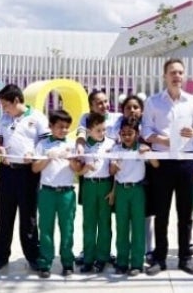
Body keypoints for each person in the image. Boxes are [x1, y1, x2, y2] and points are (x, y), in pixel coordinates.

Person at [142, 58, 193, 276]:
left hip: (186, 161)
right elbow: (146, 131)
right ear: (164, 76)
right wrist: (163, 140)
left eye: (180, 72)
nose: (176, 76)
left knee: (185, 212)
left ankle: (185, 258)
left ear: (184, 75)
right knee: (161, 212)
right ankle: (159, 258)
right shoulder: (153, 102)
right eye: (172, 72)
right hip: (162, 162)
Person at [0, 84, 50, 272]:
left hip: (28, 173)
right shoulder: (4, 118)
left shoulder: (37, 117)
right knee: (5, 216)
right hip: (7, 171)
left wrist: (35, 153)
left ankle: (33, 256)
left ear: (16, 100)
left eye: (5, 104)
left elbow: (46, 141)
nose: (3, 108)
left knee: (28, 217)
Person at [32, 109, 81, 278]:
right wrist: (47, 157)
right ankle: (45, 262)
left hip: (66, 192)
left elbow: (77, 170)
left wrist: (72, 161)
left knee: (67, 229)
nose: (64, 130)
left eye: (67, 127)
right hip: (47, 192)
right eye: (60, 126)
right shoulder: (42, 145)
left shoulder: (72, 144)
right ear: (51, 126)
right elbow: (34, 168)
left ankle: (67, 262)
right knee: (45, 228)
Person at [74, 90, 121, 266]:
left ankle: (104, 254)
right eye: (99, 103)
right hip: (89, 182)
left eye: (106, 101)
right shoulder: (85, 118)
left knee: (105, 221)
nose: (104, 106)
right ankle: (88, 254)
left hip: (108, 180)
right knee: (88, 221)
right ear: (91, 106)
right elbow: (80, 134)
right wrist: (80, 147)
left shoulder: (117, 117)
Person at [109, 117, 159, 276]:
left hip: (137, 191)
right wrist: (114, 168)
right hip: (122, 191)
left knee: (138, 227)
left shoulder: (142, 148)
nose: (126, 136)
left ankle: (137, 263)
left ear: (137, 134)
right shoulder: (116, 149)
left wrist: (149, 153)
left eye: (130, 133)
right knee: (121, 227)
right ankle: (122, 261)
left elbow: (157, 165)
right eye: (123, 134)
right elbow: (111, 172)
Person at [78, 112, 116, 273]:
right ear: (89, 130)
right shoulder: (83, 146)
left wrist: (113, 190)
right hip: (89, 186)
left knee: (105, 223)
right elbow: (77, 170)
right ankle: (88, 258)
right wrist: (85, 168)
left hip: (106, 185)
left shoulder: (112, 144)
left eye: (104, 130)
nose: (102, 133)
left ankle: (102, 257)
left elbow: (116, 172)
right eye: (98, 130)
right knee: (89, 223)